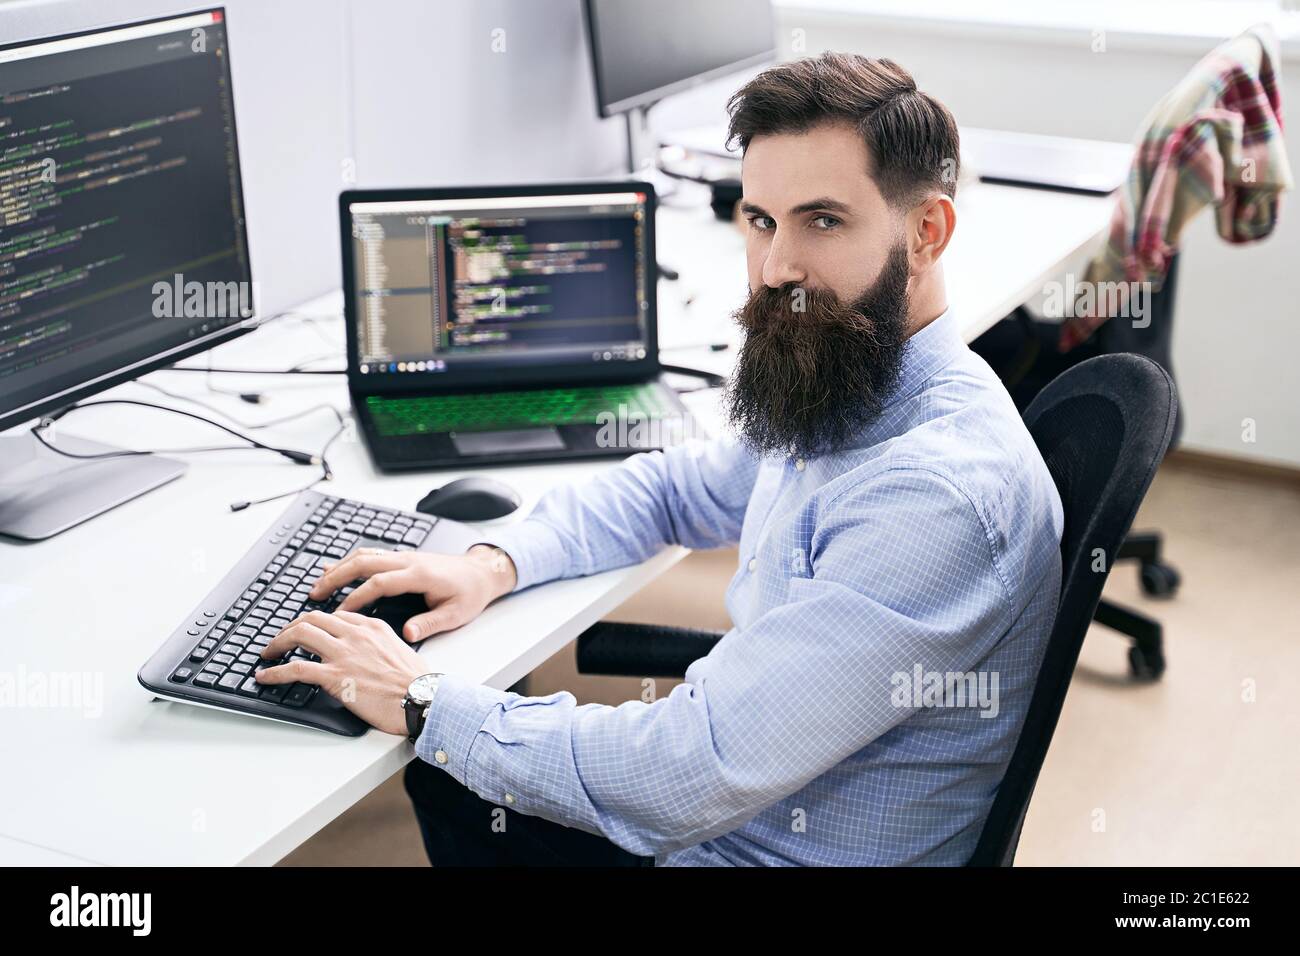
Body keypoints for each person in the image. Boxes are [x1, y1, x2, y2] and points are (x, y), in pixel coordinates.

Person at [256, 51, 1063, 867]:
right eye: (761, 220)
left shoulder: (933, 496)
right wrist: (494, 563)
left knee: (451, 765)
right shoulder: (858, 380)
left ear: (926, 232)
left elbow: (687, 769)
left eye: (823, 221)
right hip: (752, 807)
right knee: (461, 771)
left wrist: (424, 702)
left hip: (754, 847)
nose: (779, 268)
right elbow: (676, 490)